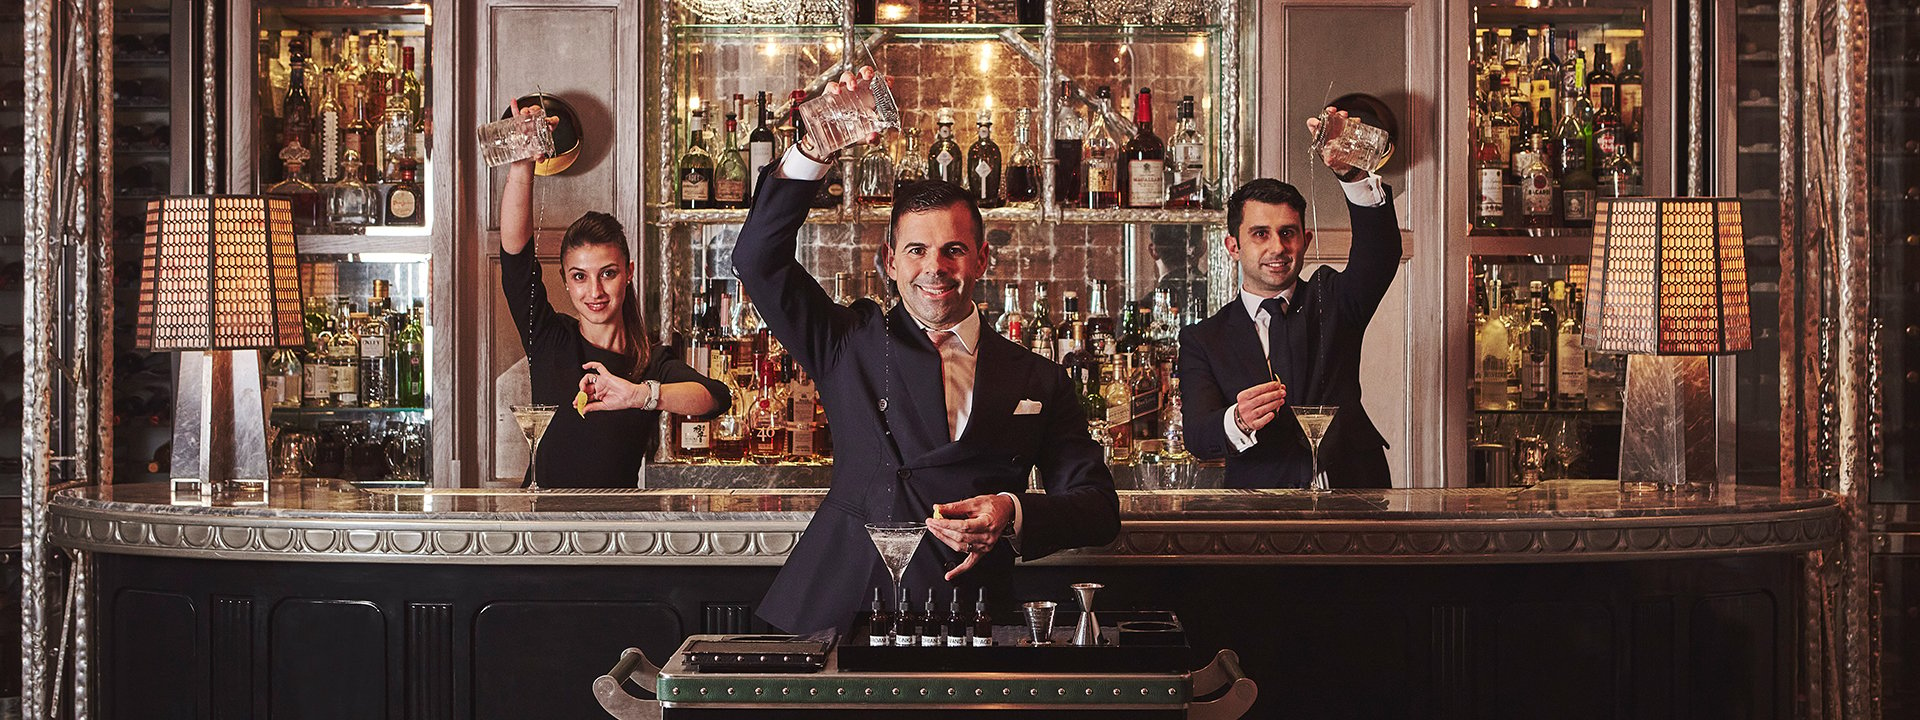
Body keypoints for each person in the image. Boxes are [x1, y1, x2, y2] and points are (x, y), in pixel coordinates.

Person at [735, 68, 1120, 635]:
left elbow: (1097, 508)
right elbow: (758, 260)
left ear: (982, 260)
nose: (934, 268)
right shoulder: (848, 342)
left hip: (971, 613)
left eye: (953, 250)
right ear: (890, 262)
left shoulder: (1037, 378)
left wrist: (1012, 512)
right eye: (916, 249)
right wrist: (814, 149)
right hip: (849, 604)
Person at [498, 105, 729, 487]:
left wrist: (639, 395)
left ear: (629, 274)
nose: (595, 292)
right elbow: (515, 258)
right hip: (541, 528)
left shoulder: (648, 361)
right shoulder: (551, 338)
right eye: (580, 277)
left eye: (607, 273)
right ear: (566, 282)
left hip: (616, 531)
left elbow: (715, 396)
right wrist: (522, 164)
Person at [1178, 108, 1402, 489]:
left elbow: (1379, 256)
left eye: (1288, 233)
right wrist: (1238, 419)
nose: (1277, 248)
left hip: (1355, 499)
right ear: (1233, 246)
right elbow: (1199, 435)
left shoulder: (1332, 299)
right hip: (1263, 511)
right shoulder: (1204, 339)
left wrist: (1351, 175)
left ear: (1306, 240)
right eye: (1261, 234)